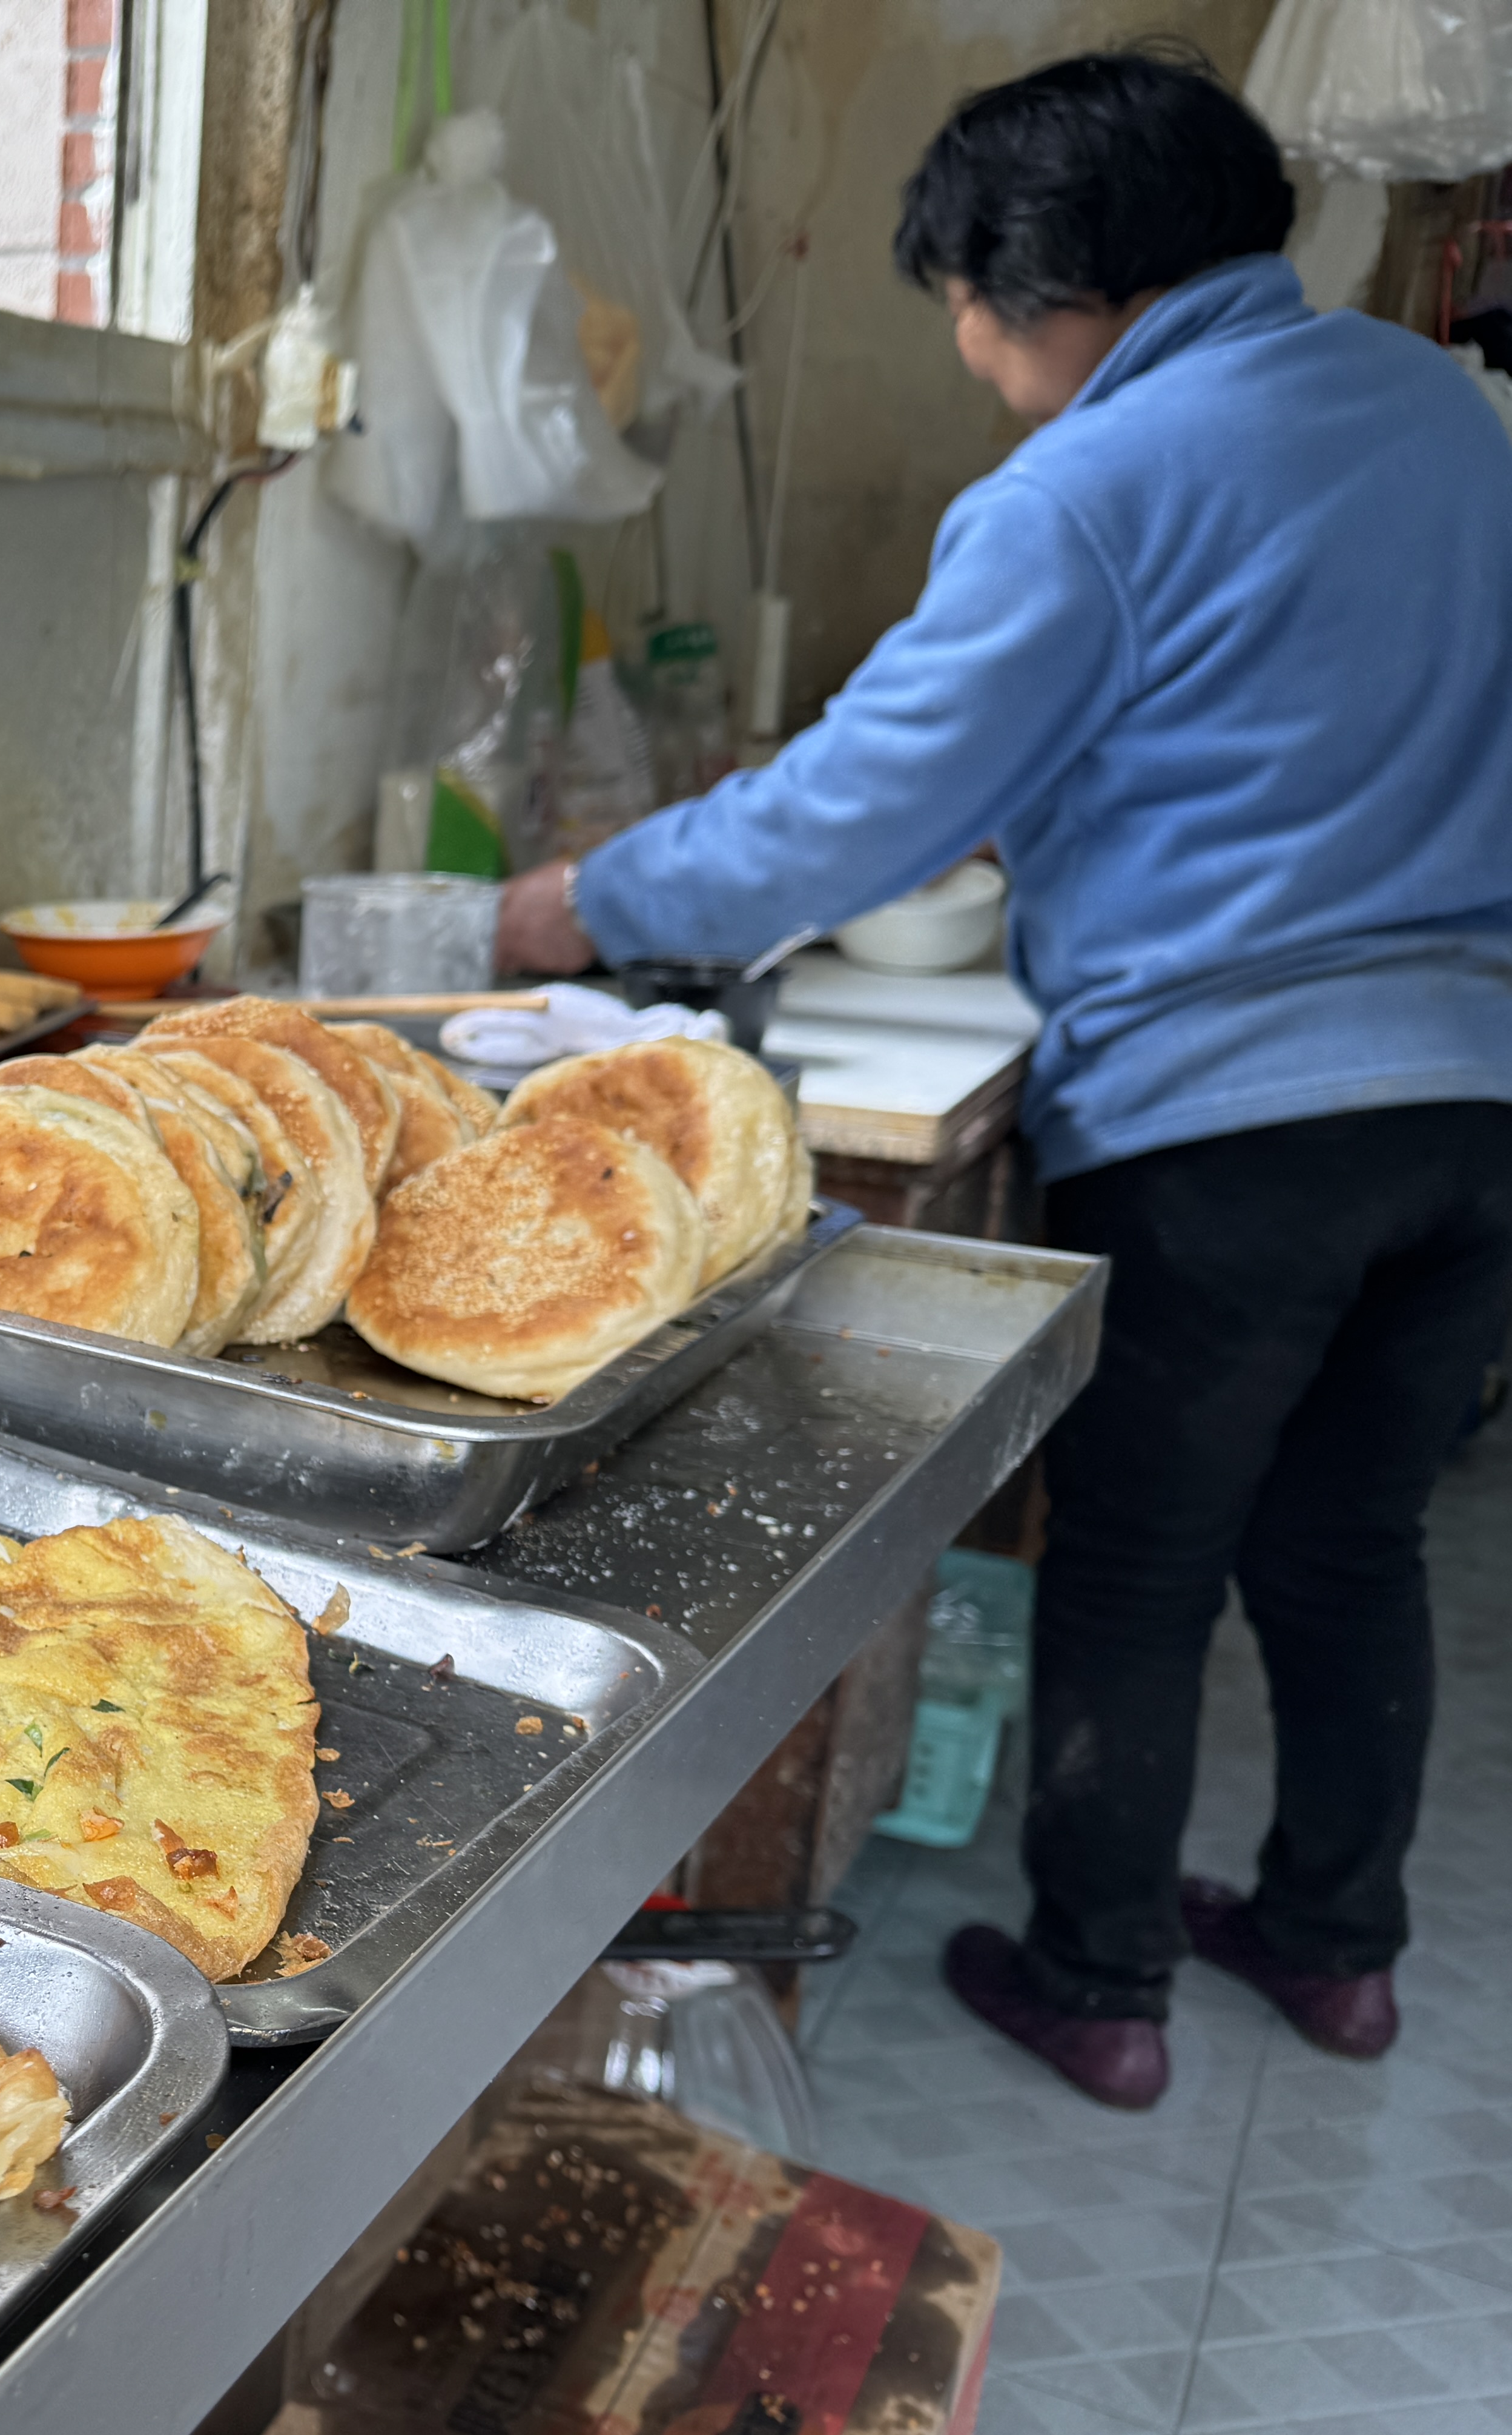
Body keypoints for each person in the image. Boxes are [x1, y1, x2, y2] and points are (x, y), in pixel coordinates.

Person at [494, 47, 1512, 2111]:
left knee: (1138, 1551)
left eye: (960, 298)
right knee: (1351, 1539)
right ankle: (1340, 1953)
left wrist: (582, 898)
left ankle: (1102, 1983)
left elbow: (857, 811)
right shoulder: (1442, 414)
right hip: (1476, 1105)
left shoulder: (1085, 487)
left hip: (1228, 1117)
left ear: (1045, 280)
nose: (967, 349)